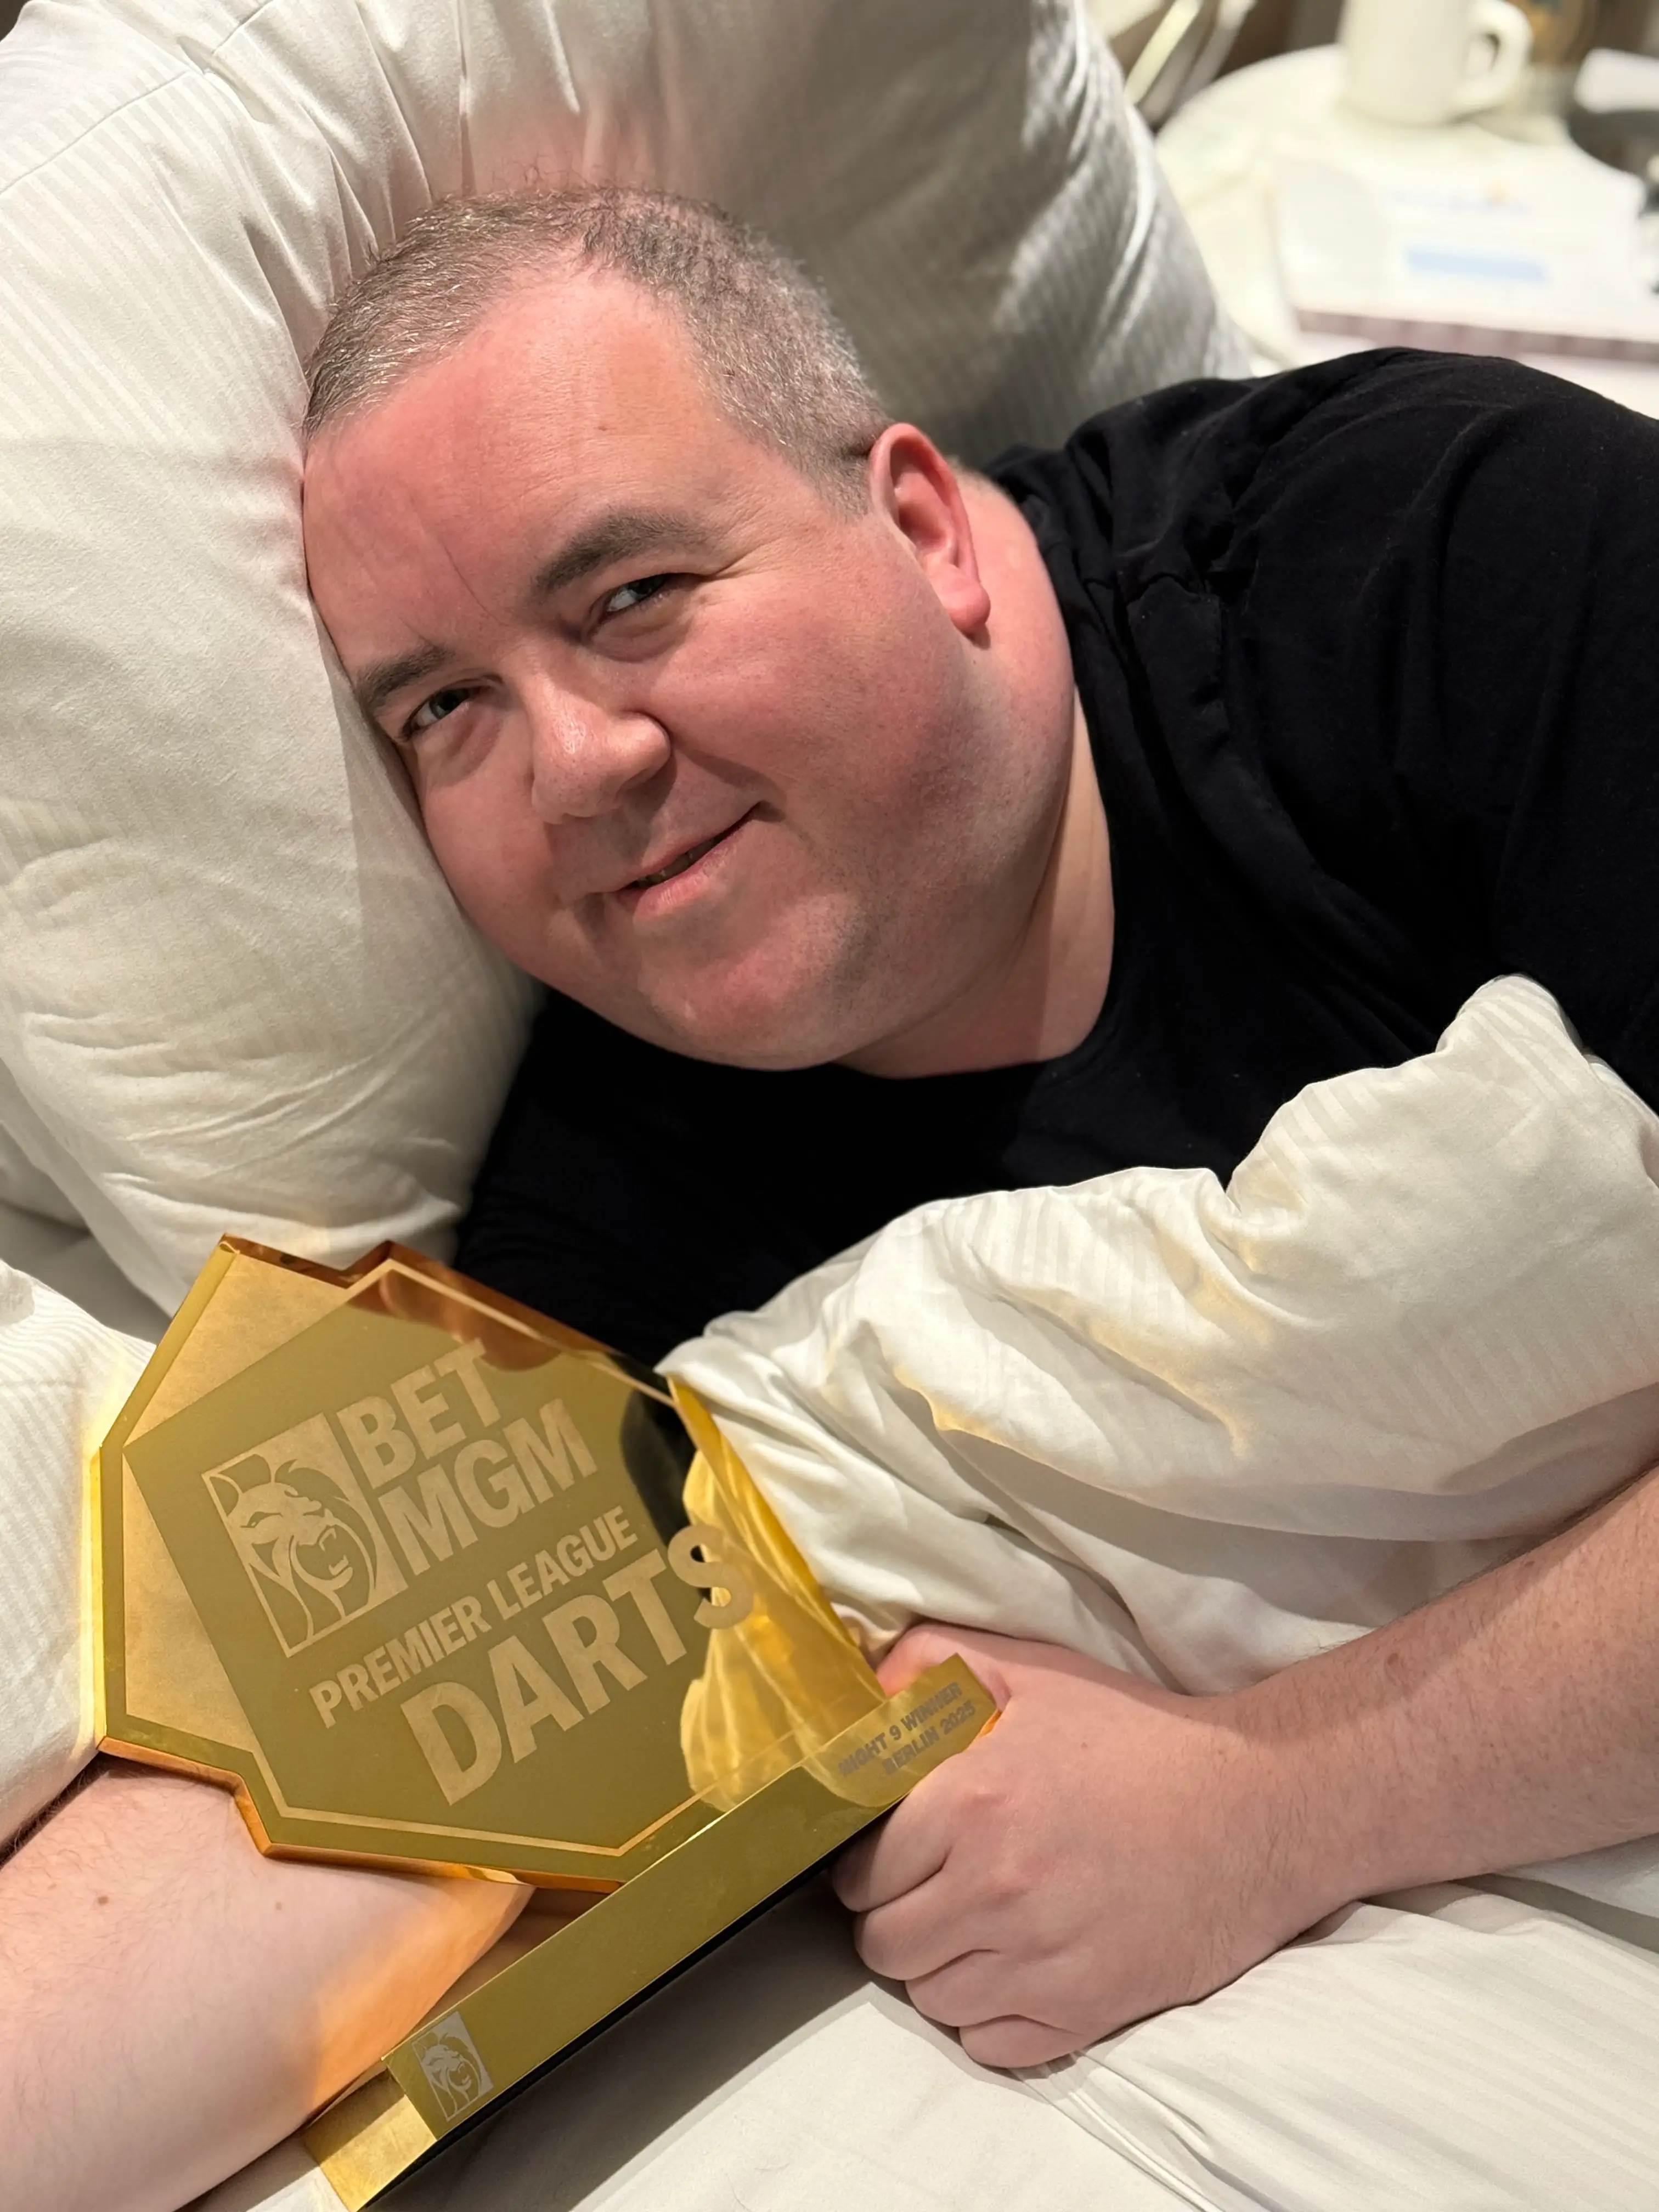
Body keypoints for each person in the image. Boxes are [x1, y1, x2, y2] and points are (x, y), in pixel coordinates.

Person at [297, 186, 1659, 2072]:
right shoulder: (604, 1211)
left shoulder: (1447, 561)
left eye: (631, 598)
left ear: (924, 526)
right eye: (447, 709)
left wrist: (1285, 1802)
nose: (578, 769)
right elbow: (349, 1822)